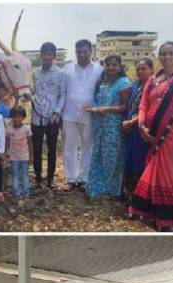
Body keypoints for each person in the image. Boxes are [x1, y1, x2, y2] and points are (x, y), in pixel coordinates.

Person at [127, 44, 173, 231]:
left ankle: (170, 218)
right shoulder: (153, 79)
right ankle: (150, 212)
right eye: (163, 54)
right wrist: (141, 126)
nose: (167, 57)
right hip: (150, 135)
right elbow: (143, 105)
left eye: (171, 53)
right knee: (152, 172)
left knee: (171, 175)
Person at [85, 55, 131, 199]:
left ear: (120, 67)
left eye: (114, 64)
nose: (111, 67)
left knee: (111, 157)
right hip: (100, 125)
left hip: (113, 127)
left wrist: (108, 109)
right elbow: (99, 102)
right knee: (98, 154)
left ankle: (112, 190)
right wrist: (94, 108)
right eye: (108, 65)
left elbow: (125, 106)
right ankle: (97, 187)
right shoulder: (103, 83)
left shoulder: (124, 83)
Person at [62, 39, 103, 191]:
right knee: (70, 147)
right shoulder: (67, 69)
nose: (82, 54)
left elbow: (101, 91)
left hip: (89, 116)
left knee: (88, 147)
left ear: (90, 52)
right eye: (79, 52)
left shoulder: (99, 70)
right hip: (69, 114)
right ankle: (71, 179)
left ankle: (84, 178)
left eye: (85, 51)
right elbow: (63, 91)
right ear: (76, 52)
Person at [30, 42, 66, 189]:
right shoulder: (35, 73)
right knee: (37, 148)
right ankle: (38, 177)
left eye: (50, 54)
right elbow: (33, 91)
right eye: (44, 54)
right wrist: (25, 93)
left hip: (52, 117)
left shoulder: (60, 73)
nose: (47, 57)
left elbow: (63, 95)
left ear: (54, 56)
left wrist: (57, 112)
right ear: (41, 55)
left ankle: (50, 178)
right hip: (36, 117)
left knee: (52, 149)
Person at [121, 57, 152, 198]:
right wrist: (125, 122)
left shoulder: (155, 87)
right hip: (130, 130)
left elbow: (152, 110)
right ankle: (129, 194)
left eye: (143, 68)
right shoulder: (135, 86)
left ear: (152, 70)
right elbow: (128, 107)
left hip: (143, 130)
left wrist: (132, 122)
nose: (140, 71)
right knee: (129, 160)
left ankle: (140, 197)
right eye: (138, 69)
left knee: (141, 162)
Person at [6, 106, 33, 204]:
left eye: (19, 117)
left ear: (23, 117)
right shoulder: (9, 129)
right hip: (14, 157)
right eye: (14, 117)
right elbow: (7, 142)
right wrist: (6, 154)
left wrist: (31, 156)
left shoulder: (26, 129)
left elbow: (30, 143)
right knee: (15, 175)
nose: (17, 119)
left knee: (25, 175)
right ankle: (16, 194)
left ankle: (26, 194)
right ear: (11, 117)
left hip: (25, 157)